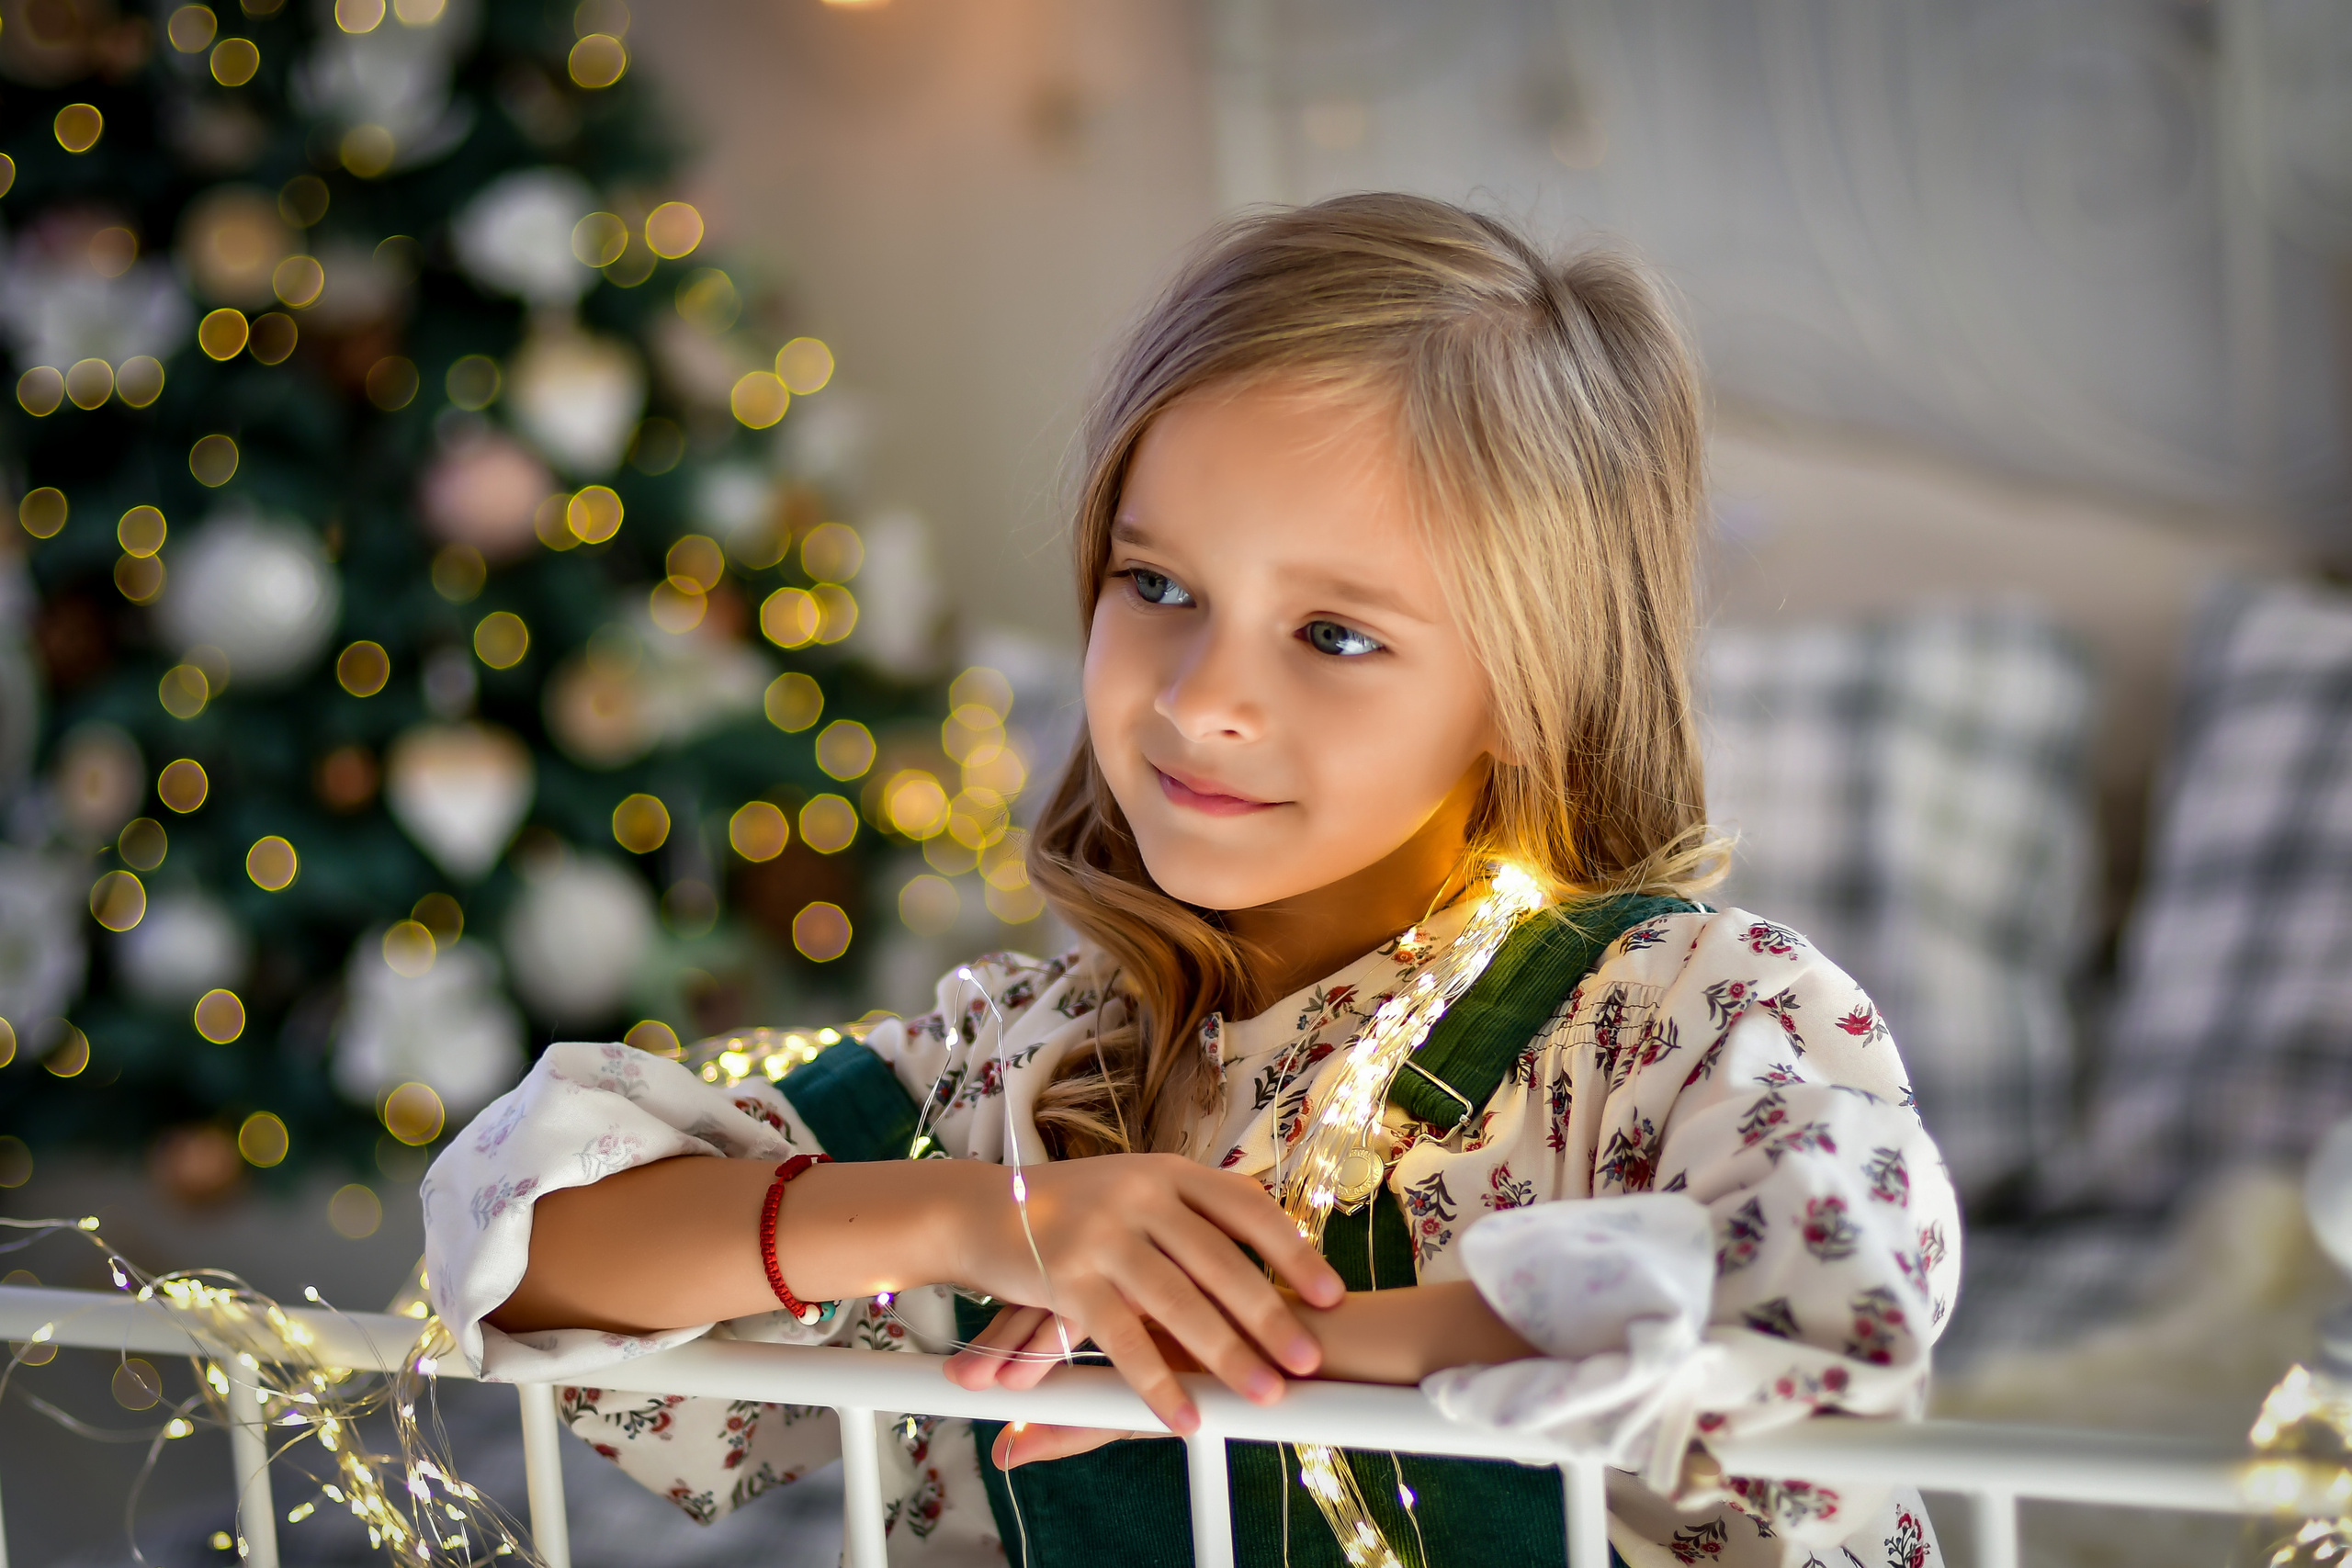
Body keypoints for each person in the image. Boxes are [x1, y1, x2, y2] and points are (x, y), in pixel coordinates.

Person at [424, 194, 1959, 1568]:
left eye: (1335, 634)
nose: (1198, 697)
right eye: (1155, 584)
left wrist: (1284, 1352)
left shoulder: (1687, 1018)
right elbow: (522, 1246)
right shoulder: (1024, 1071)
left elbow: (1823, 1299)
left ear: (1534, 683)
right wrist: (978, 1220)